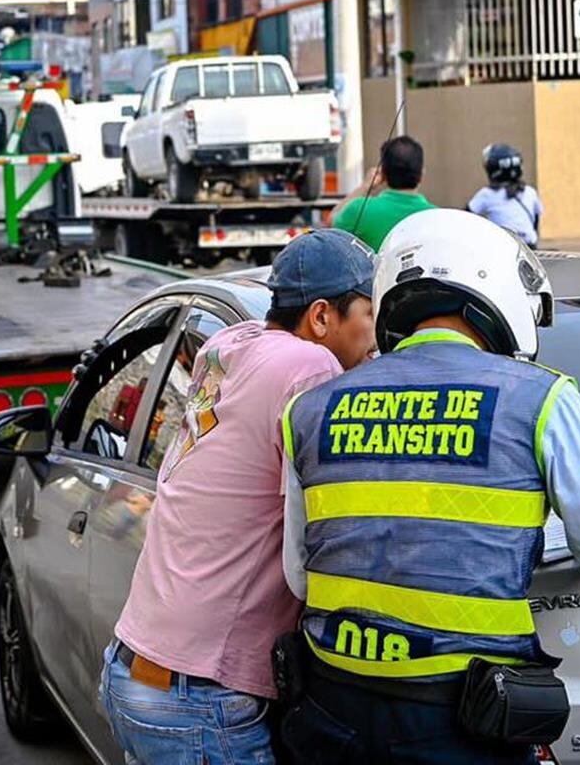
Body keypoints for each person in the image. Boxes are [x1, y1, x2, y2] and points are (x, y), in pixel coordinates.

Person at [279, 209, 580, 763]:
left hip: (331, 709)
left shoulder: (308, 409)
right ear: (494, 286)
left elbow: (299, 575)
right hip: (462, 720)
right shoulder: (541, 400)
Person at [102, 230, 378, 765]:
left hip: (138, 671)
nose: (375, 334)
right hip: (199, 700)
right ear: (321, 318)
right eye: (368, 312)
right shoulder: (309, 366)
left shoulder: (226, 346)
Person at [324, 135, 432, 251]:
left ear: (383, 174)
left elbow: (331, 222)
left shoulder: (359, 209)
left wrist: (365, 187)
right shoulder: (437, 217)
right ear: (421, 175)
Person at [468, 143, 544, 248]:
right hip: (530, 249)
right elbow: (535, 221)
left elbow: (465, 217)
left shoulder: (487, 194)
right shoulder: (530, 191)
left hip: (503, 248)